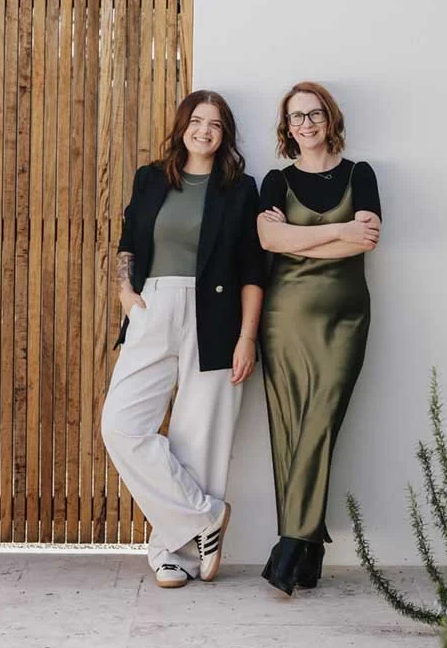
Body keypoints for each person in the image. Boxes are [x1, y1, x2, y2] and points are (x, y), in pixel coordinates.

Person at [101, 90, 264, 589]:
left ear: (224, 134)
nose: (204, 130)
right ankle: (205, 515)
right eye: (197, 120)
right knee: (121, 426)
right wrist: (126, 293)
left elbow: (253, 269)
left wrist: (247, 337)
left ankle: (175, 555)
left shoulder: (240, 189)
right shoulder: (151, 178)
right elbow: (129, 242)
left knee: (199, 438)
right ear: (182, 125)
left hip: (216, 315)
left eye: (215, 124)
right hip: (153, 307)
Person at [257, 81, 382, 596]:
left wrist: (298, 240)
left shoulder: (360, 174)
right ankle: (306, 554)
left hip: (345, 318)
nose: (305, 124)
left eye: (313, 114)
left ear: (330, 119)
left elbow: (366, 240)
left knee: (319, 422)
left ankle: (291, 542)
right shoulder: (275, 180)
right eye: (295, 117)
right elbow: (268, 239)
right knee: (289, 429)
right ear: (286, 128)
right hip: (283, 318)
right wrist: (336, 231)